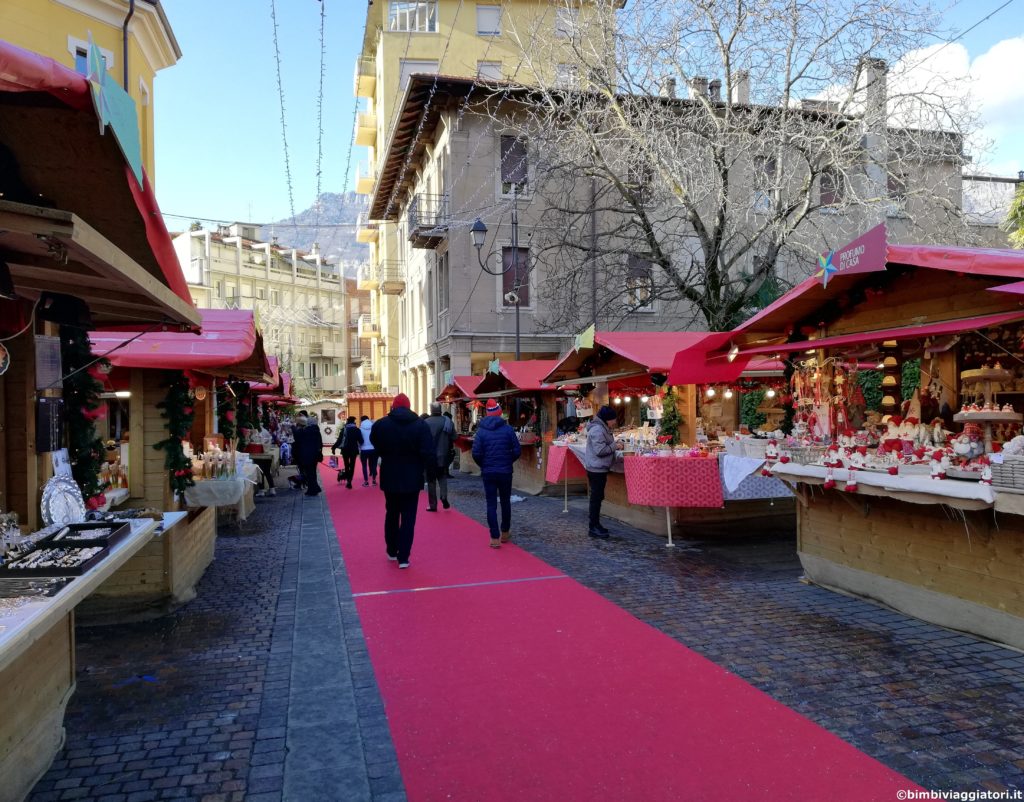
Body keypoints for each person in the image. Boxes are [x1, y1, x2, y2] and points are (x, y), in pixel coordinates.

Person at [370, 394, 434, 568]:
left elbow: (375, 442)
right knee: (408, 517)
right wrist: (428, 470)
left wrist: (386, 454)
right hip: (412, 476)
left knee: (391, 513)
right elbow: (428, 451)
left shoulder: (381, 424)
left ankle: (391, 549)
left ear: (393, 407)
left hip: (390, 474)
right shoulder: (420, 425)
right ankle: (404, 556)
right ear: (409, 406)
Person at [471, 401, 521, 548]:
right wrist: (508, 461)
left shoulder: (481, 431)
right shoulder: (508, 429)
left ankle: (494, 537)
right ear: (499, 413)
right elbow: (517, 451)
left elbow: (476, 453)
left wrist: (484, 465)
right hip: (505, 471)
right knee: (505, 502)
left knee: (491, 504)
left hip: (489, 471)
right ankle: (505, 532)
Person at [583, 405, 622, 538]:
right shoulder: (597, 430)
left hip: (598, 467)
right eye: (613, 419)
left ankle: (596, 524)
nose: (614, 422)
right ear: (607, 419)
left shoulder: (602, 428)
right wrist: (614, 446)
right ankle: (593, 527)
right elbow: (600, 451)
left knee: (598, 497)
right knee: (596, 498)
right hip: (596, 469)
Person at [424, 403, 456, 511]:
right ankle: (443, 496)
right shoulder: (448, 421)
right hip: (444, 455)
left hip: (430, 456)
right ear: (440, 410)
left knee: (431, 480)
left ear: (431, 410)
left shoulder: (425, 423)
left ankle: (433, 505)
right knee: (442, 477)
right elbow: (454, 437)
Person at [292, 411, 324, 496]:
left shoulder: (307, 431)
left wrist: (292, 426)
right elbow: (320, 443)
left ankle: (312, 490)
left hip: (307, 455)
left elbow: (297, 436)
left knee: (310, 473)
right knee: (312, 473)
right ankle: (315, 488)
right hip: (314, 455)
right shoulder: (315, 430)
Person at [332, 416, 363, 489]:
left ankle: (347, 477)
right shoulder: (357, 430)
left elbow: (339, 440)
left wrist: (333, 448)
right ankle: (349, 481)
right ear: (354, 422)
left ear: (347, 422)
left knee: (346, 465)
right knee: (352, 466)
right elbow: (361, 441)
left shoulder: (344, 430)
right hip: (353, 450)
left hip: (345, 450)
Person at [358, 415, 378, 486]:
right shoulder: (373, 428)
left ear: (361, 421)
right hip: (373, 449)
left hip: (364, 449)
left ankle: (366, 481)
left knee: (364, 466)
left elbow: (359, 440)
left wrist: (360, 447)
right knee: (374, 465)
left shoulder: (360, 429)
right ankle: (374, 480)